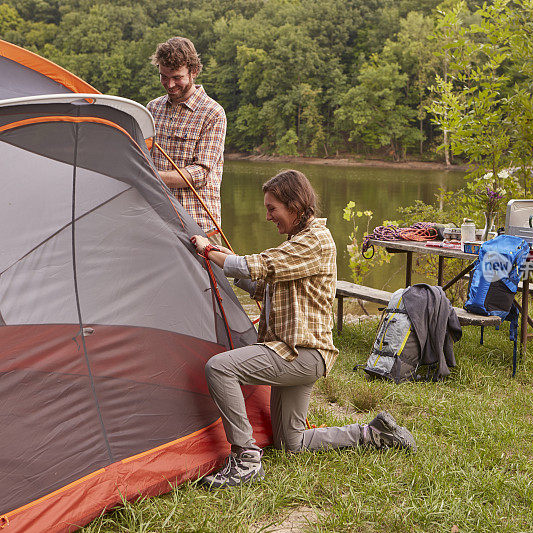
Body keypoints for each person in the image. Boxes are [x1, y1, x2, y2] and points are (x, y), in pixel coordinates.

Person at [190, 169, 416, 489]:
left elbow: (260, 264)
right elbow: (259, 283)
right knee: (290, 443)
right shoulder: (298, 243)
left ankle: (244, 460)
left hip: (301, 353)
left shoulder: (315, 240)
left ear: (295, 206)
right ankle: (374, 433)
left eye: (272, 209)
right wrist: (215, 261)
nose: (268, 216)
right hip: (295, 351)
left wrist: (208, 250)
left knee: (219, 369)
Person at [148, 37, 226, 244]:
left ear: (194, 71)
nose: (170, 84)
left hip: (200, 227)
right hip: (158, 222)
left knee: (207, 277)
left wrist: (150, 176)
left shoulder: (213, 113)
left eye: (177, 77)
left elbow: (200, 173)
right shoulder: (152, 109)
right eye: (163, 77)